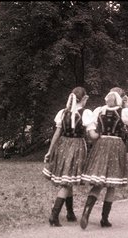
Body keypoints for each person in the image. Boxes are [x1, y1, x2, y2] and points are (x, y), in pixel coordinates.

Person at [80, 87, 128, 230]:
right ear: (121, 97)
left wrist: (97, 136)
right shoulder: (124, 112)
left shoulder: (99, 110)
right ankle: (104, 219)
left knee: (98, 182)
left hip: (101, 144)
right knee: (112, 184)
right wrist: (127, 107)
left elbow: (91, 130)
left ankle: (86, 212)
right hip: (116, 145)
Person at [43, 86, 95, 227]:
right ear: (83, 98)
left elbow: (56, 134)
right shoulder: (86, 113)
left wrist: (50, 150)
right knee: (66, 183)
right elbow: (91, 135)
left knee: (68, 179)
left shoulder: (63, 112)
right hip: (76, 147)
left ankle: (70, 213)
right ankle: (54, 215)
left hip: (62, 146)